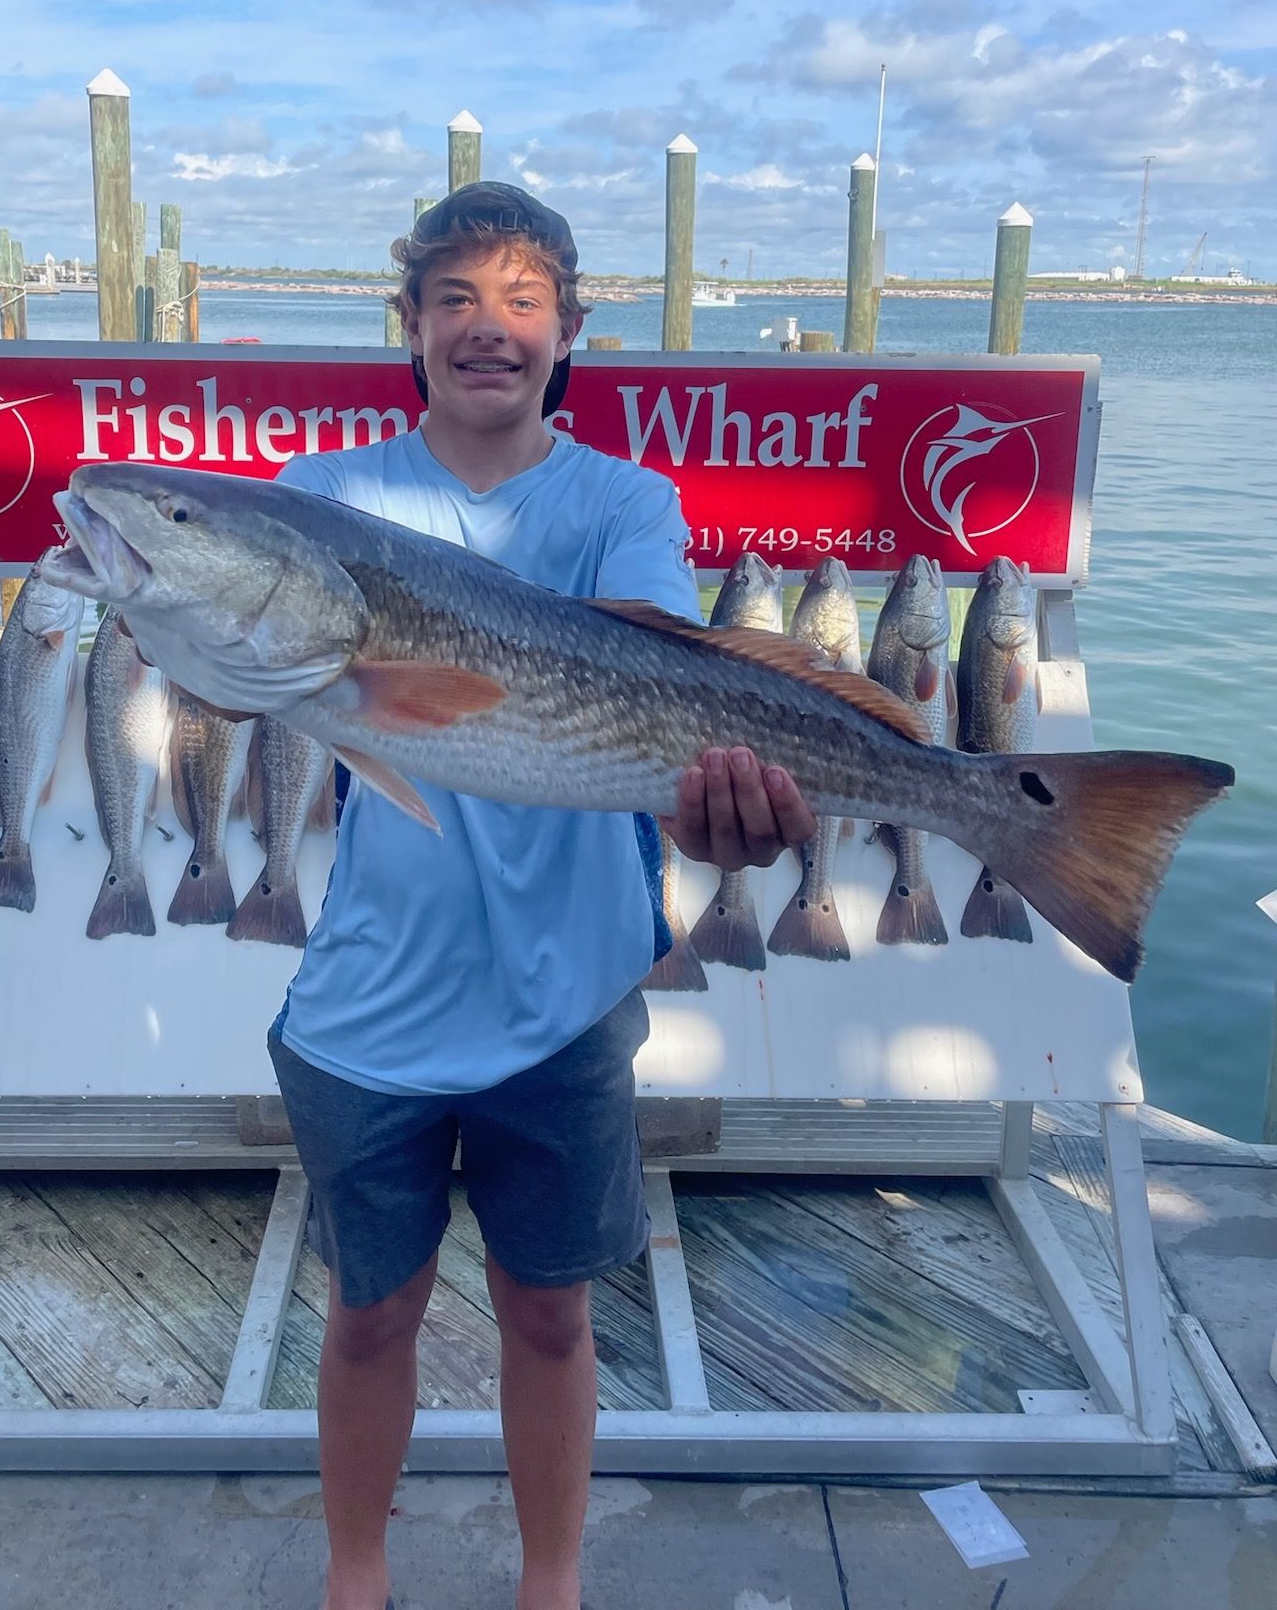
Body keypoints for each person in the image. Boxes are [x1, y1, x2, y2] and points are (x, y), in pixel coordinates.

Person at [269, 182, 814, 1610]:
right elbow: (248, 651)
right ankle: (356, 1576)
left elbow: (659, 660)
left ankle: (552, 1587)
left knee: (554, 1316)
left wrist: (735, 799)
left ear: (570, 331)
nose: (486, 329)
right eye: (454, 298)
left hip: (569, 1001)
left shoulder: (625, 503)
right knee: (371, 1316)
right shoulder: (329, 501)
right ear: (410, 328)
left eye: (521, 300)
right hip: (366, 1001)